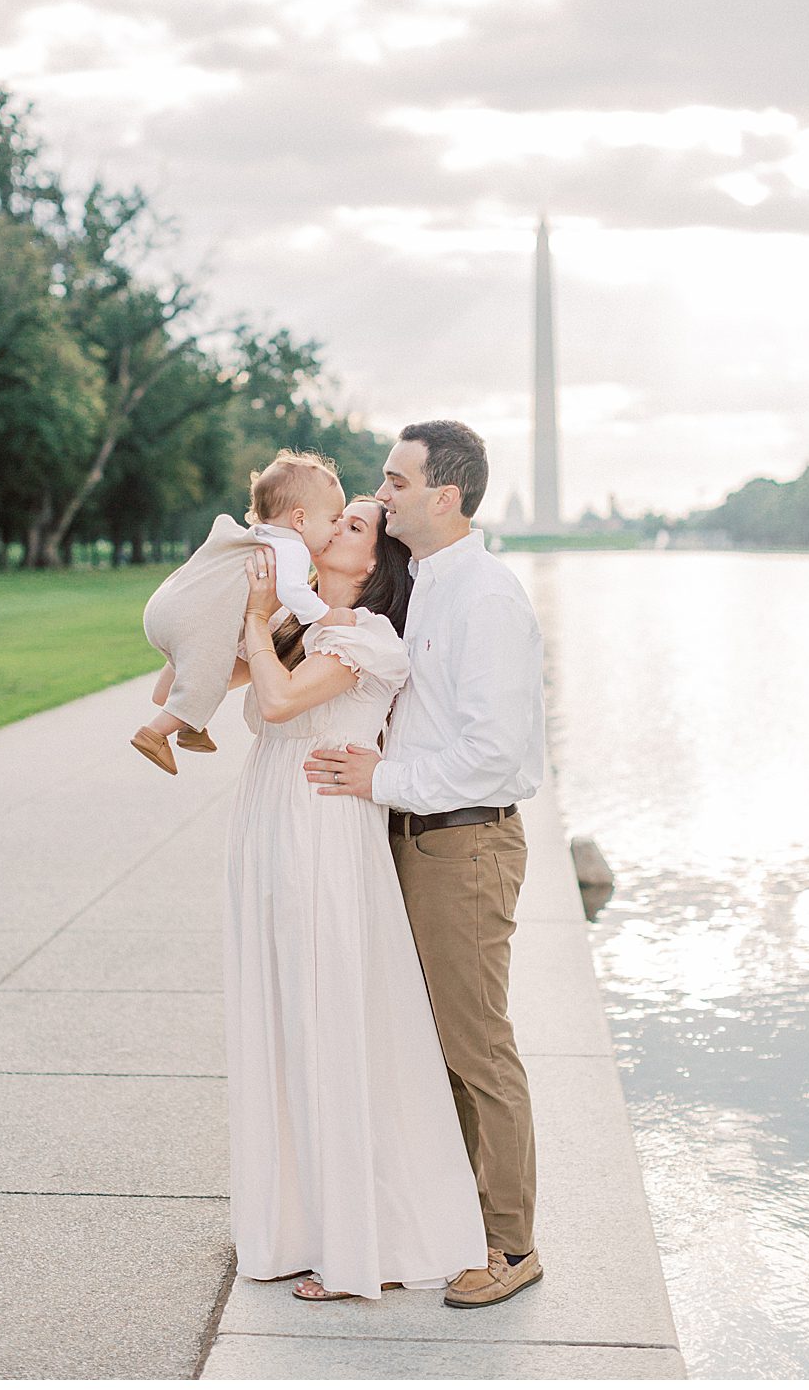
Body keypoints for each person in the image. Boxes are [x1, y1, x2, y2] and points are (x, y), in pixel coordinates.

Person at [304, 421, 545, 1310]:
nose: (382, 492)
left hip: (465, 840)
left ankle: (512, 1245)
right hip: (407, 836)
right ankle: (440, 1227)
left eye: (396, 479)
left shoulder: (485, 597)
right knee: (421, 1047)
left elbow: (494, 751)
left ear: (445, 496)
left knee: (476, 1049)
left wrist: (381, 778)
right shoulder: (422, 586)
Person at [224, 497, 488, 1302]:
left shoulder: (368, 639)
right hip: (270, 826)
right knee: (283, 1018)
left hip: (322, 834)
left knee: (329, 1016)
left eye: (356, 526)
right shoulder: (304, 628)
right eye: (335, 518)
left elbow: (276, 704)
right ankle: (299, 1222)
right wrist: (243, 605)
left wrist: (259, 622)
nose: (335, 527)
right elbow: (197, 670)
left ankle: (359, 1246)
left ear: (375, 565)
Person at [131, 451, 354, 775]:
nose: (336, 529)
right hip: (195, 622)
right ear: (301, 520)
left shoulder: (259, 537)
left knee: (204, 673)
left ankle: (191, 726)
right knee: (207, 678)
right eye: (334, 520)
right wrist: (328, 617)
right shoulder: (292, 546)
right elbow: (294, 592)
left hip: (163, 610)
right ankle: (154, 734)